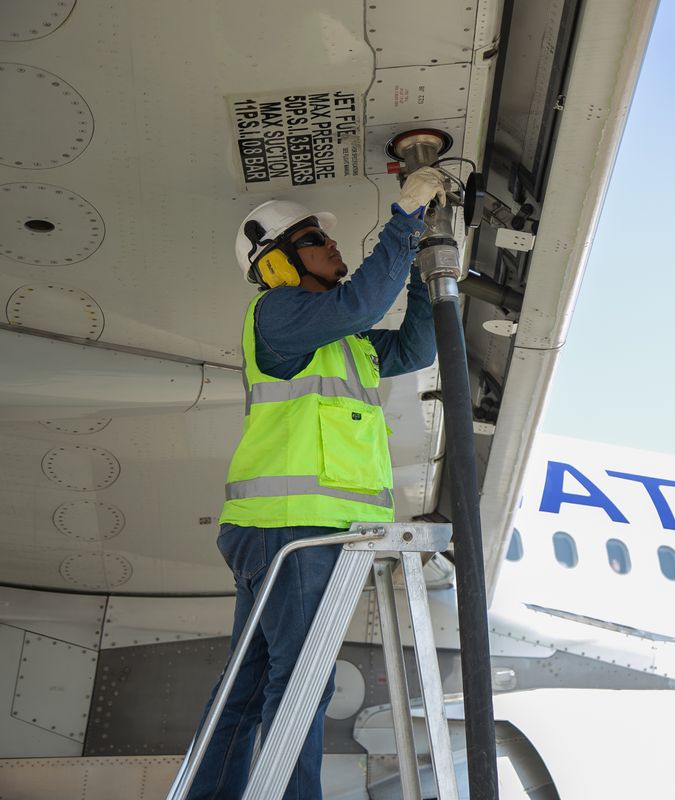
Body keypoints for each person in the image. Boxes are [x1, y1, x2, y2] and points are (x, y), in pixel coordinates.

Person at [185, 167, 447, 800]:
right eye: (312, 240)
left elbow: (414, 348)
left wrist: (426, 268)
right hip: (292, 529)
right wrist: (406, 221)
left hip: (286, 531)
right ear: (275, 265)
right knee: (303, 681)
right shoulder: (279, 314)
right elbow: (361, 302)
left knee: (248, 690)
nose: (332, 247)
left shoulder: (344, 339)